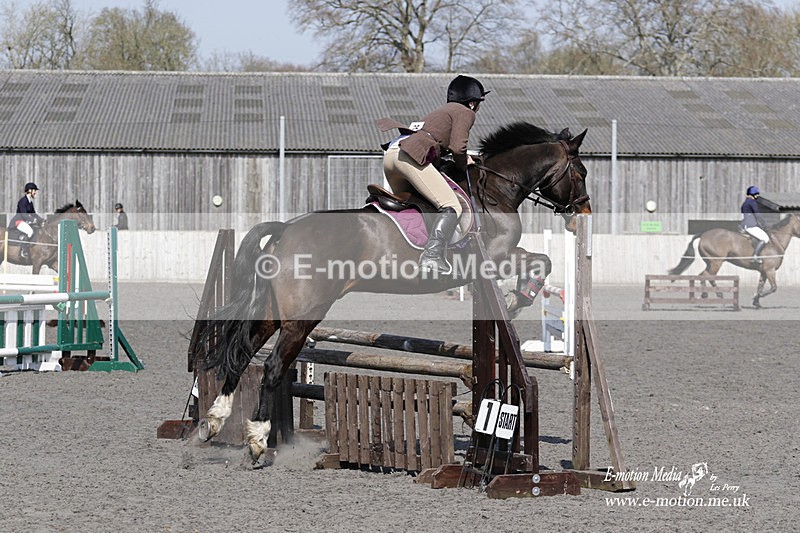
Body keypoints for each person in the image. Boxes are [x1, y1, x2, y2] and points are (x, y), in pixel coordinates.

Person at [377, 75, 489, 275]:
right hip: (410, 157)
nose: (478, 108)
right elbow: (458, 147)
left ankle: (409, 250)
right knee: (451, 205)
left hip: (392, 156)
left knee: (419, 205)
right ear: (472, 103)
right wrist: (465, 165)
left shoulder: (442, 111)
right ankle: (432, 256)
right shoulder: (465, 112)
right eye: (479, 103)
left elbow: (443, 145)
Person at [9, 182, 44, 259]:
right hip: (18, 221)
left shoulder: (30, 202)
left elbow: (34, 214)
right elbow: (23, 214)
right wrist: (32, 219)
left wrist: (41, 220)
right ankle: (23, 250)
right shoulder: (23, 201)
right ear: (30, 190)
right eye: (34, 190)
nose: (35, 193)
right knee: (30, 231)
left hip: (24, 222)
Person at [740, 185, 769, 264]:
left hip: (746, 224)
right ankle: (755, 256)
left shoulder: (745, 203)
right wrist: (764, 225)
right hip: (751, 226)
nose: (757, 196)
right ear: (754, 195)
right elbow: (758, 215)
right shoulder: (752, 202)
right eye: (757, 195)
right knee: (765, 238)